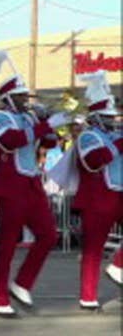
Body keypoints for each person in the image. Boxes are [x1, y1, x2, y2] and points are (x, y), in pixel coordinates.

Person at [0, 50, 71, 318]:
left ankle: (22, 283)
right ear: (7, 97)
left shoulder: (29, 118)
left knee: (48, 235)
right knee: (7, 244)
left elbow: (49, 144)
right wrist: (42, 124)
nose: (25, 100)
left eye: (25, 96)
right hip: (9, 185)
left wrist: (47, 124)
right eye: (20, 96)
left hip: (31, 184)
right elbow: (10, 141)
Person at [49, 70, 123, 310]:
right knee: (93, 250)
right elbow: (95, 160)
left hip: (118, 195)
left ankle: (118, 266)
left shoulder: (115, 135)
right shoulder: (87, 137)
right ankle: (88, 297)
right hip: (96, 200)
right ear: (96, 117)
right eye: (107, 116)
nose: (113, 120)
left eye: (113, 116)